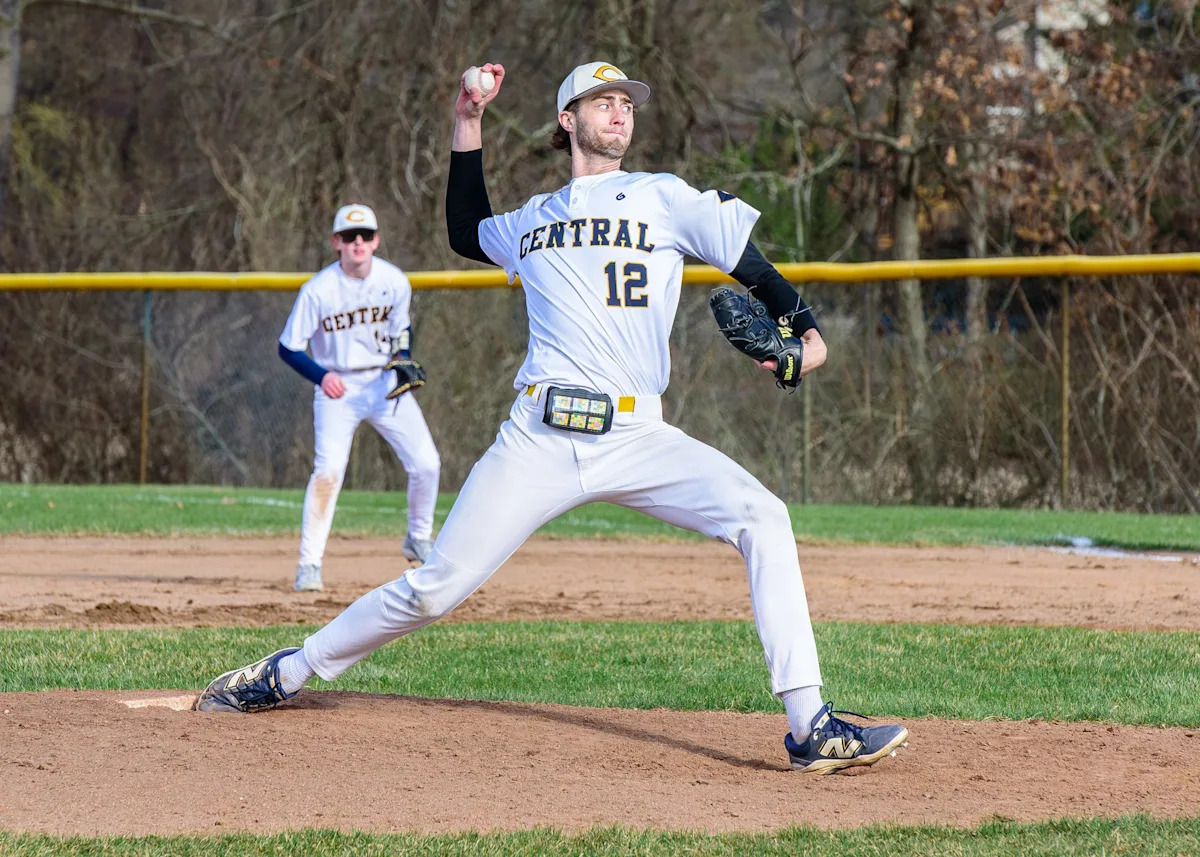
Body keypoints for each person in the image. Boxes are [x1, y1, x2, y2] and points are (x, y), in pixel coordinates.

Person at [195, 63, 907, 775]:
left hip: (638, 435)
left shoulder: (663, 196)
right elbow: (466, 230)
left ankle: (810, 726)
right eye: (603, 102)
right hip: (537, 436)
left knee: (764, 516)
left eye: (627, 104)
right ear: (568, 120)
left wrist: (808, 336)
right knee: (434, 588)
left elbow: (753, 267)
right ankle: (286, 671)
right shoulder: (533, 217)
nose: (620, 113)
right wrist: (467, 120)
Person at [277, 204, 441, 592]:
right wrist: (321, 376)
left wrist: (402, 359)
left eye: (365, 235)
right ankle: (309, 564)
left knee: (427, 464)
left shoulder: (394, 280)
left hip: (383, 383)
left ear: (376, 241)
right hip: (338, 388)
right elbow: (288, 347)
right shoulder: (318, 290)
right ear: (336, 242)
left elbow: (401, 332)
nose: (358, 243)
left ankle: (418, 536)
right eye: (349, 237)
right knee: (328, 472)